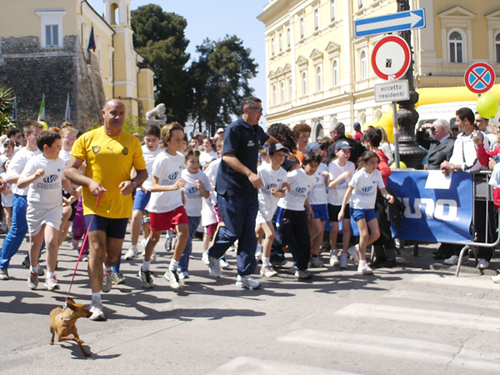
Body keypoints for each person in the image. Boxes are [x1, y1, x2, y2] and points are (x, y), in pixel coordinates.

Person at [65, 99, 147, 321]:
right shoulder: (88, 138)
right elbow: (69, 171)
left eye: (121, 113)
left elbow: (142, 173)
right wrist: (89, 182)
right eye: (113, 112)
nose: (117, 117)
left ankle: (109, 271)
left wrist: (133, 183)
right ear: (103, 113)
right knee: (96, 249)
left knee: (111, 256)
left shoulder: (132, 142)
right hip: (95, 204)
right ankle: (96, 301)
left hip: (120, 207)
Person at [206, 96, 279, 290]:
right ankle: (214, 253)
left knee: (248, 234)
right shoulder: (234, 129)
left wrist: (281, 147)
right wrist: (249, 173)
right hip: (230, 188)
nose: (261, 114)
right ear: (247, 110)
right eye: (258, 110)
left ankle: (245, 275)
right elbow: (227, 156)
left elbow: (268, 139)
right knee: (233, 231)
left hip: (249, 190)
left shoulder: (256, 129)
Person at [18, 130, 78, 290]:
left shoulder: (60, 162)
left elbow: (63, 180)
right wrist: (34, 177)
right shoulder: (35, 162)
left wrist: (71, 191)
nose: (60, 149)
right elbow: (20, 183)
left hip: (54, 207)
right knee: (35, 243)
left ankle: (51, 275)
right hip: (36, 207)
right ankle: (33, 269)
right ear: (46, 147)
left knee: (52, 241)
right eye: (57, 146)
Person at [140, 122, 189, 290]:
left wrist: (180, 192)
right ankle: (145, 268)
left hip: (175, 203)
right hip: (159, 205)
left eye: (182, 139)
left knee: (184, 233)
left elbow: (177, 180)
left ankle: (172, 269)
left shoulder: (181, 157)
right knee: (154, 239)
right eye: (177, 139)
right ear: (167, 140)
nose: (181, 143)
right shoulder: (161, 159)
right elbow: (152, 186)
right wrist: (171, 187)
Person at [441, 107, 491, 269]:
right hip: (461, 184)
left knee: (481, 220)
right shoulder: (460, 138)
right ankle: (458, 251)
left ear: (466, 121)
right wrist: (448, 166)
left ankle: (485, 255)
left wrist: (454, 166)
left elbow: (476, 163)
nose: (456, 124)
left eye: (458, 120)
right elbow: (455, 158)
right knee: (461, 219)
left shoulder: (479, 137)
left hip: (478, 184)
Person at [338, 150, 395, 275]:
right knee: (364, 234)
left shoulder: (377, 174)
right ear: (364, 163)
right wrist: (342, 210)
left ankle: (357, 248)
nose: (374, 166)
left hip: (369, 208)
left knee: (376, 234)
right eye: (371, 163)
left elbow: (383, 190)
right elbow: (348, 192)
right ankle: (362, 262)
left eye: (376, 163)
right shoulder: (359, 175)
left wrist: (388, 196)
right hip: (357, 207)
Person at [0, 121, 44, 281]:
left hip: (42, 199)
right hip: (23, 198)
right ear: (26, 136)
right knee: (17, 232)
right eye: (37, 135)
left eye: (41, 134)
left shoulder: (43, 153)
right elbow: (10, 177)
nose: (40, 138)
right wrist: (32, 178)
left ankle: (31, 261)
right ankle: (2, 265)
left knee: (45, 234)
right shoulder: (21, 155)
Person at [271, 151, 320, 279]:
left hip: (300, 211)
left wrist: (309, 209)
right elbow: (282, 183)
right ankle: (264, 253)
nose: (314, 169)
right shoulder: (295, 174)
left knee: (303, 239)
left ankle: (302, 268)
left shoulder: (313, 179)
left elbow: (304, 195)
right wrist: (282, 188)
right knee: (283, 238)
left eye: (316, 166)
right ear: (304, 164)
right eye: (311, 165)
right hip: (286, 209)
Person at [124, 125, 162, 261]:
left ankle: (150, 247)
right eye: (148, 140)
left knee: (152, 222)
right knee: (135, 215)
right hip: (143, 188)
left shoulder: (163, 152)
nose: (150, 143)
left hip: (158, 190)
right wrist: (136, 184)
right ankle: (133, 247)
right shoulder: (140, 151)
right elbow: (135, 169)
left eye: (153, 140)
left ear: (159, 140)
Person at [255, 143, 288, 277]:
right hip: (260, 206)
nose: (281, 158)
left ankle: (254, 251)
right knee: (270, 234)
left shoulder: (283, 173)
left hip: (272, 207)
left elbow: (283, 194)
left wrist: (277, 194)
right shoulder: (261, 171)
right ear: (270, 156)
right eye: (278, 155)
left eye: (283, 155)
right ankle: (266, 264)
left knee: (258, 232)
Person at [178, 148, 211, 279]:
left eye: (197, 161)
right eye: (192, 161)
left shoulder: (202, 176)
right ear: (185, 162)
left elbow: (207, 195)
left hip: (196, 214)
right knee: (185, 240)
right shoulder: (181, 175)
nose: (195, 164)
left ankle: (177, 264)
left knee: (185, 239)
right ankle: (182, 268)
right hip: (182, 212)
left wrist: (201, 188)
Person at [328, 140, 356, 268]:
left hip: (347, 201)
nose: (347, 154)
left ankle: (344, 253)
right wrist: (342, 177)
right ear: (337, 152)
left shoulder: (351, 165)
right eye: (344, 151)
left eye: (348, 152)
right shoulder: (332, 166)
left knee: (346, 228)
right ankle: (333, 251)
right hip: (334, 201)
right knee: (334, 228)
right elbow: (331, 185)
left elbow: (353, 184)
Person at [305, 142, 329, 268]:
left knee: (321, 232)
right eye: (316, 150)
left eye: (320, 150)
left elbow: (328, 185)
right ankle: (304, 251)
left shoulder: (324, 166)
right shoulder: (308, 167)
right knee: (316, 229)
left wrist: (328, 178)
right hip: (312, 203)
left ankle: (314, 256)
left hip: (323, 202)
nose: (320, 152)